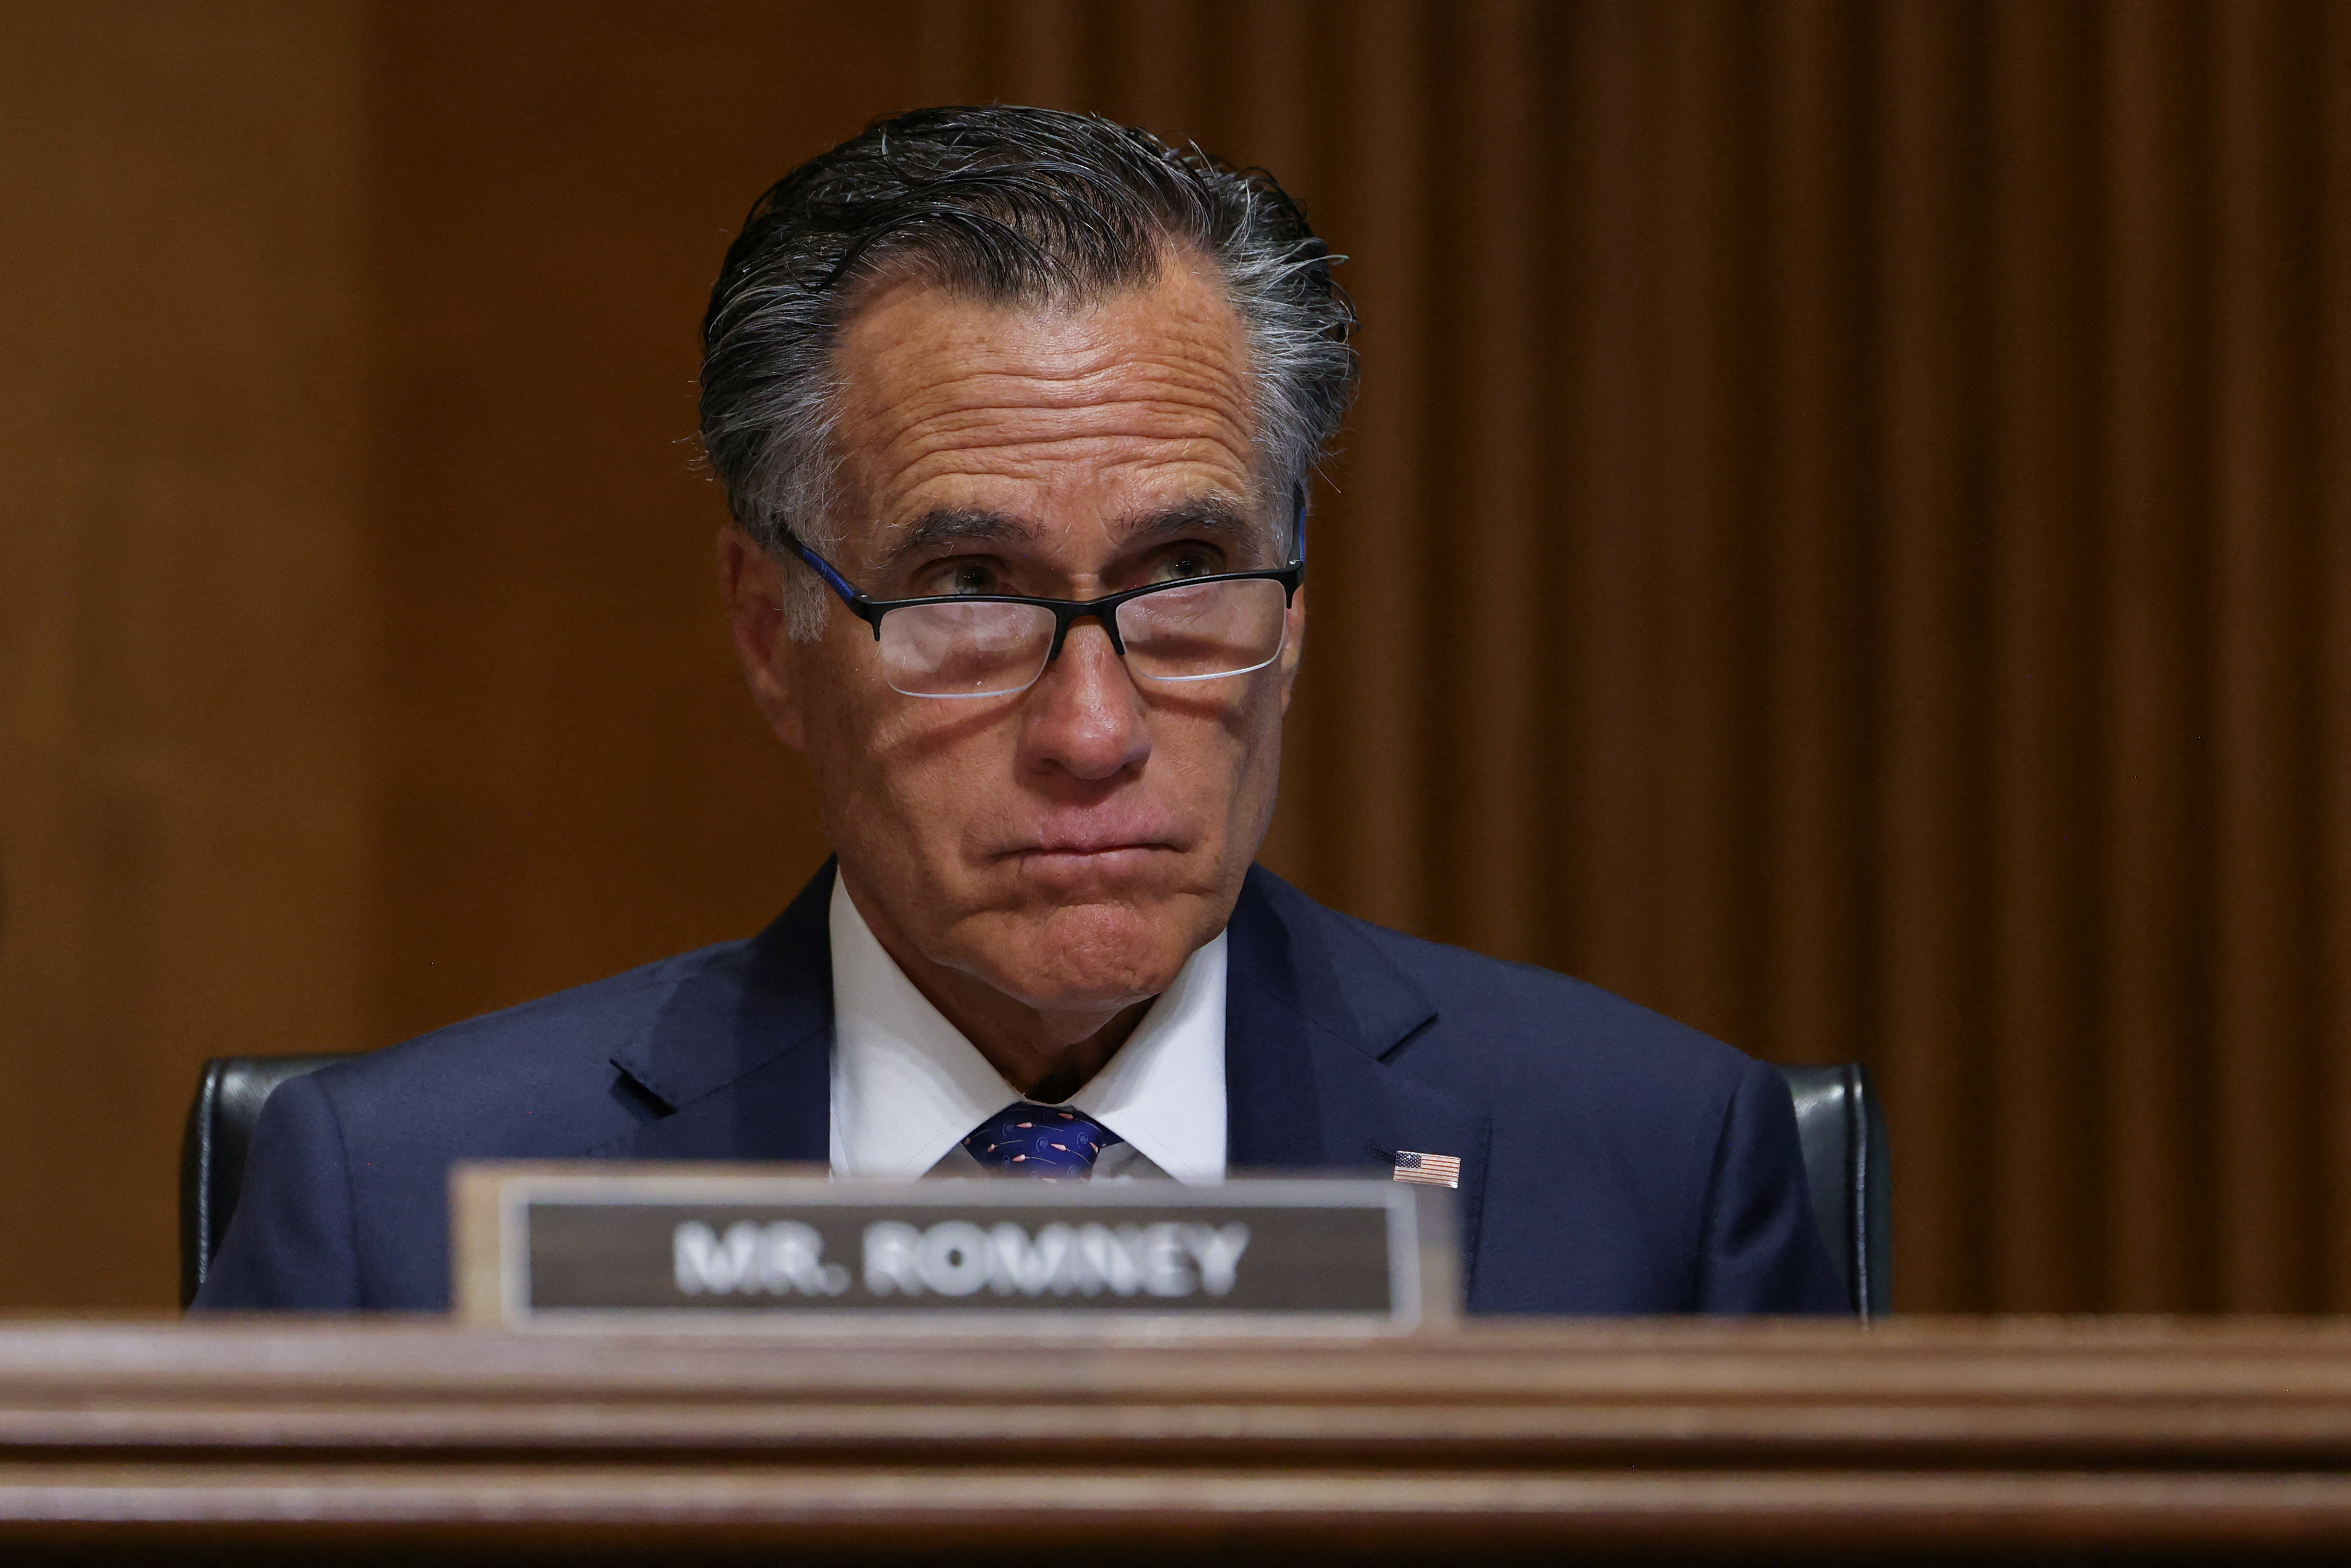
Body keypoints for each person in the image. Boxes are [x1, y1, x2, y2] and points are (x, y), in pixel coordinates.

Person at [195, 105, 1843, 1315]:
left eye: (1188, 570)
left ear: (1299, 606)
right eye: (968, 588)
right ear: (772, 633)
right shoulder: (395, 1211)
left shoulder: (1650, 1175)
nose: (1091, 729)